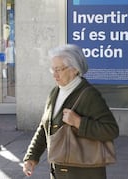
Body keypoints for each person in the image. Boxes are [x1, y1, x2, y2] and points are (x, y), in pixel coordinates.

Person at [22, 44, 119, 179]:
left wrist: (79, 122)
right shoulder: (55, 92)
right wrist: (31, 157)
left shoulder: (89, 95)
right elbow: (45, 127)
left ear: (74, 69)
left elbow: (111, 130)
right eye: (52, 69)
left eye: (59, 69)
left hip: (84, 173)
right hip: (59, 172)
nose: (54, 75)